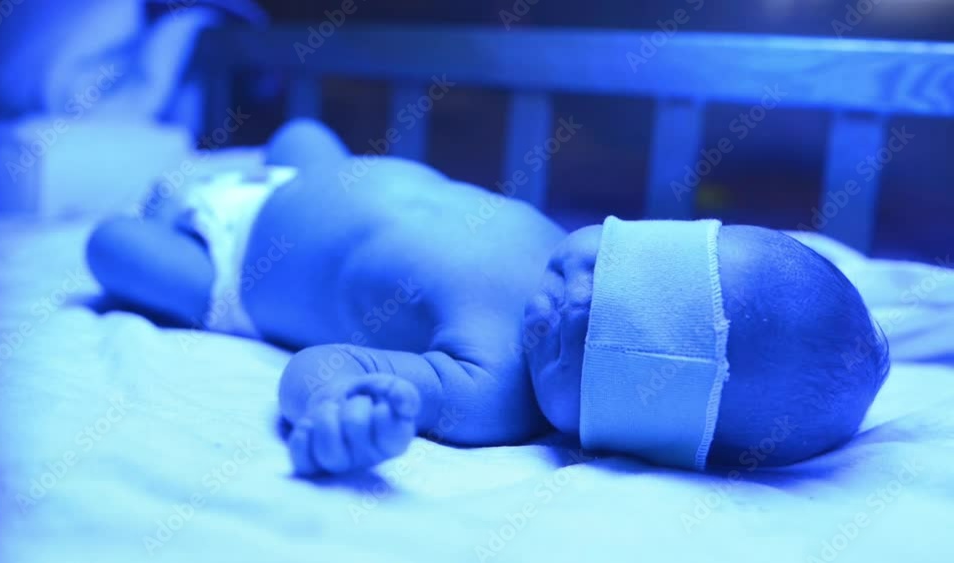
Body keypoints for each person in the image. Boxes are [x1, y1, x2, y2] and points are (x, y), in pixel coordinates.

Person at [87, 119, 890, 475]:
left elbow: (331, 359)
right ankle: (248, 168)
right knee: (302, 133)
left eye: (588, 344)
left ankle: (173, 212)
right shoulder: (552, 242)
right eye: (600, 269)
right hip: (302, 175)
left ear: (624, 430)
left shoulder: (492, 392)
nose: (565, 303)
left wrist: (341, 404)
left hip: (233, 271)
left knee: (111, 250)